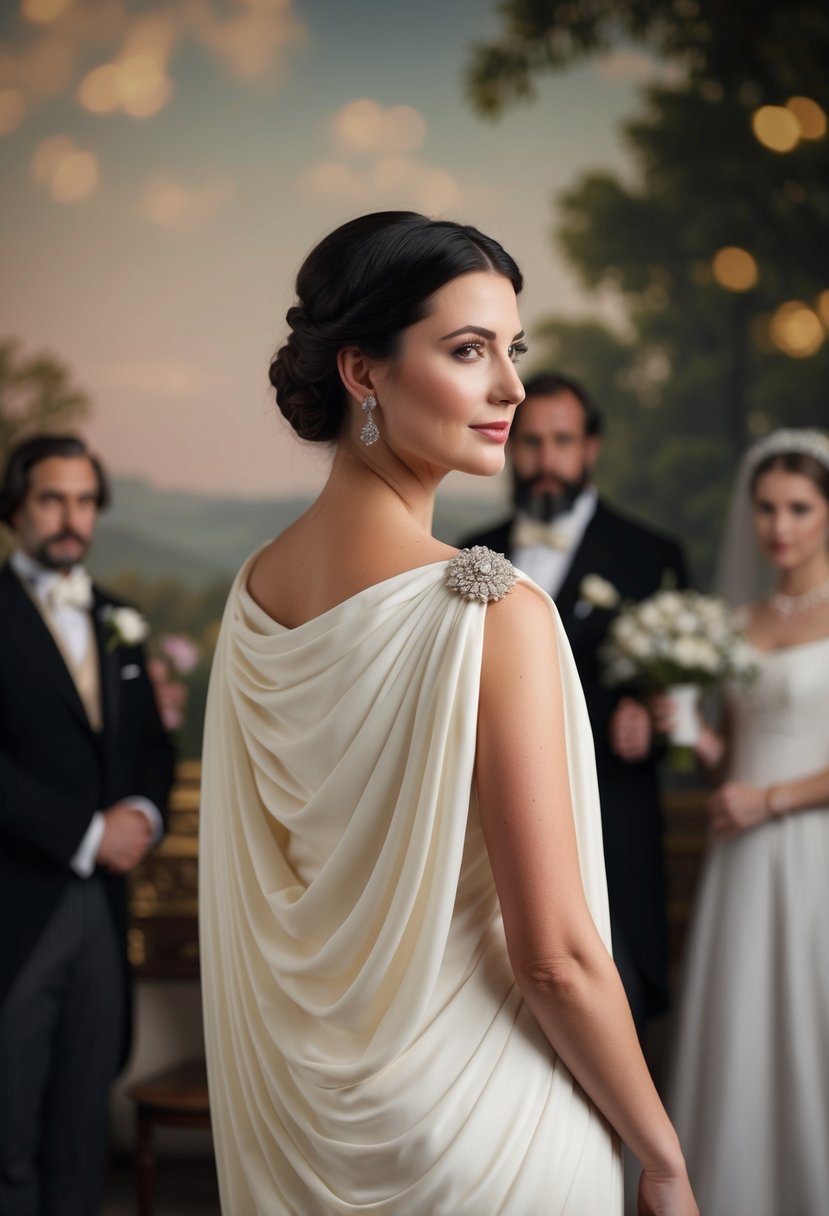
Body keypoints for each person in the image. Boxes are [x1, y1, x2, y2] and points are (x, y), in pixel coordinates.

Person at [198, 212, 697, 1216]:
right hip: (491, 1132)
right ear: (363, 372)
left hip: (304, 1130)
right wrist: (663, 1154)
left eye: (512, 349)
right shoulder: (490, 610)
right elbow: (553, 955)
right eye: (468, 350)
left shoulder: (253, 594)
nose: (510, 387)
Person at [460, 372, 689, 1033]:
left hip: (612, 828)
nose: (545, 460)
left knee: (613, 1016)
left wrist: (650, 715)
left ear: (590, 448)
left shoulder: (650, 557)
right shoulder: (468, 556)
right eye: (530, 442)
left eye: (561, 441)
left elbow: (682, 701)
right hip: (490, 841)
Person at [0, 434, 176, 1215]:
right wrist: (82, 834)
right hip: (15, 908)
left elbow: (152, 750)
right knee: (8, 1140)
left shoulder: (120, 619)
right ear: (14, 509)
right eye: (51, 499)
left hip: (103, 913)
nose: (71, 518)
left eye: (83, 500)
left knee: (82, 1140)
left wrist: (139, 812)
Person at [662, 427, 829, 1216]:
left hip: (811, 848)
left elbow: (760, 785)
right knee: (743, 1033)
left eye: (798, 507)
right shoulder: (737, 622)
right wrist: (688, 731)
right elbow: (730, 764)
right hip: (739, 861)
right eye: (766, 508)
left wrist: (771, 800)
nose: (778, 526)